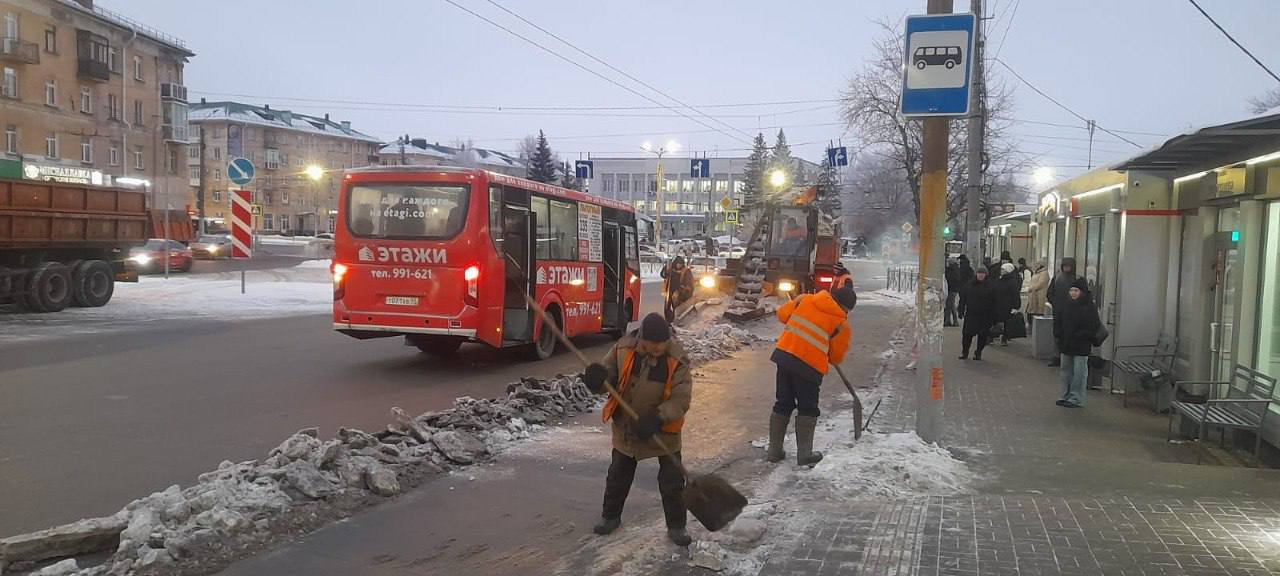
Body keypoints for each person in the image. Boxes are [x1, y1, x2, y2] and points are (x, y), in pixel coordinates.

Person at [582, 313, 694, 546]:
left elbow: (681, 398)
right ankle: (610, 517)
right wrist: (598, 378)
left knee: (672, 482)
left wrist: (658, 417)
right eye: (653, 343)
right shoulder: (624, 347)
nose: (657, 347)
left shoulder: (677, 359)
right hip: (627, 427)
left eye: (662, 343)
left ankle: (677, 527)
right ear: (642, 338)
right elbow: (609, 373)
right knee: (618, 475)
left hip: (662, 429)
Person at [767, 284, 857, 466]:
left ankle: (774, 451)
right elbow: (836, 357)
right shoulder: (840, 324)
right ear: (846, 308)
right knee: (808, 408)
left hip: (785, 356)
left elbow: (782, 315)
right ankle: (805, 454)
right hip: (809, 367)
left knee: (783, 403)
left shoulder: (804, 299)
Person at [1055, 278, 1101, 408]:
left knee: (1079, 372)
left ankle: (1076, 398)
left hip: (1081, 344)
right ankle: (1065, 395)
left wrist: (1079, 336)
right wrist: (1058, 334)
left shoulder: (1089, 306)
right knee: (1065, 371)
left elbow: (1093, 326)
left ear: (1082, 292)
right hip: (1066, 343)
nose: (1073, 293)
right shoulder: (1066, 304)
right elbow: (1059, 320)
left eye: (1076, 290)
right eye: (1071, 290)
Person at [958, 267, 1000, 360]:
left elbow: (995, 302)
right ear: (976, 274)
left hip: (985, 316)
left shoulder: (991, 286)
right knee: (966, 335)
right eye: (979, 273)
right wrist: (960, 310)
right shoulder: (969, 285)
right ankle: (965, 352)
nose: (980, 275)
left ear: (986, 275)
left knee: (982, 336)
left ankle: (978, 352)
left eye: (983, 274)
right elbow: (963, 298)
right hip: (971, 314)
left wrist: (995, 317)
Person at [1045, 257, 1078, 366]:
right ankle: (1058, 356)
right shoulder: (1058, 278)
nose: (1066, 268)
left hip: (1072, 312)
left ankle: (1066, 356)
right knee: (1058, 334)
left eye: (1068, 266)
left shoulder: (1077, 279)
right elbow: (1049, 293)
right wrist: (1056, 303)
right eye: (1065, 266)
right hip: (1059, 311)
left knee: (1069, 334)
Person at [660, 256, 694, 322]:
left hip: (679, 293)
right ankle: (668, 320)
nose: (679, 265)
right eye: (678, 264)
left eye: (681, 264)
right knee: (667, 308)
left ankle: (676, 321)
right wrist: (665, 269)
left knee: (677, 308)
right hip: (669, 291)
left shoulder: (686, 271)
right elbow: (663, 275)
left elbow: (690, 283)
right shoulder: (670, 268)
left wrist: (684, 290)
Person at [998, 262, 1022, 346]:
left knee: (1006, 322)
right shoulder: (1001, 279)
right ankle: (995, 336)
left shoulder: (1012, 281)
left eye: (1003, 269)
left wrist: (1016, 306)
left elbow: (1015, 294)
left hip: (1007, 305)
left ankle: (1004, 337)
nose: (1001, 271)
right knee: (998, 320)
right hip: (1000, 303)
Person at [944, 259, 960, 327]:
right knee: (951, 305)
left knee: (949, 305)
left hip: (951, 289)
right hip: (954, 289)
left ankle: (950, 321)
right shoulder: (956, 269)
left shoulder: (951, 270)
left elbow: (950, 278)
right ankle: (951, 321)